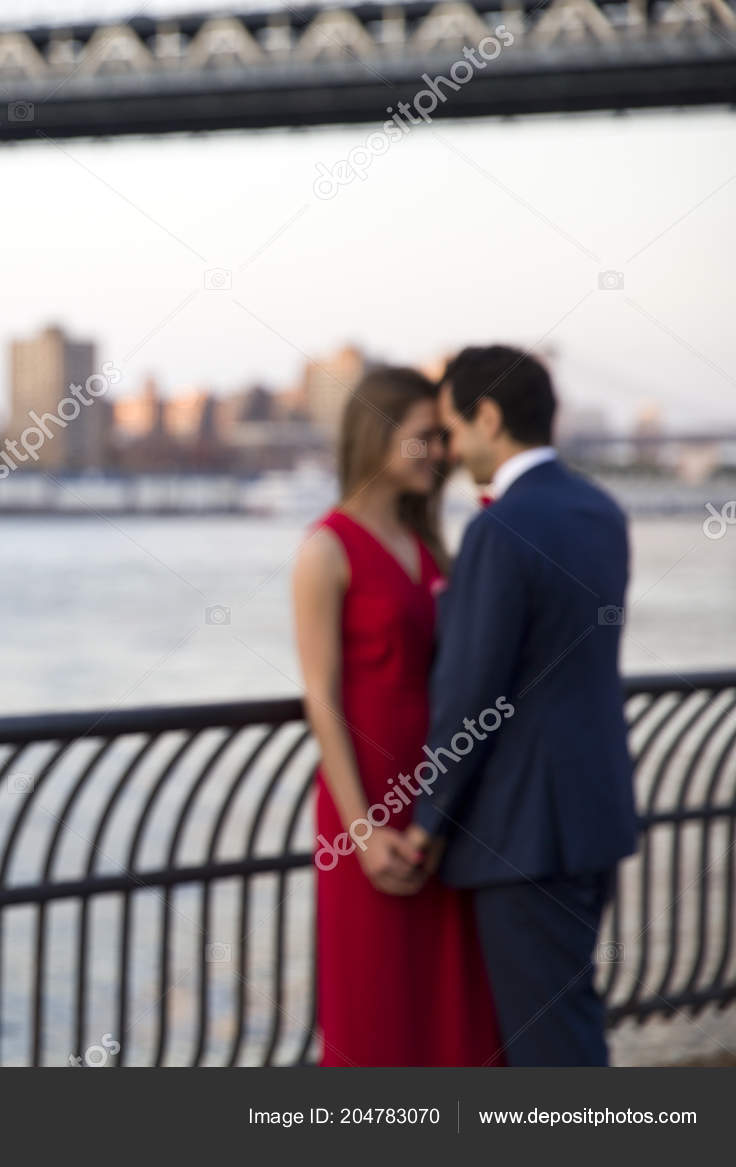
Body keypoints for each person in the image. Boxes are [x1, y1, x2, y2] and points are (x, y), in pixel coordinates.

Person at [405, 346, 636, 1066]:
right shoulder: (600, 510)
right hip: (595, 811)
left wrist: (427, 820)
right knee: (571, 1017)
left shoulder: (499, 529)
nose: (448, 449)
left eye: (453, 429)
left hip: (522, 832)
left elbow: (472, 691)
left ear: (490, 417)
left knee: (547, 1046)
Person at [292, 367, 503, 1067]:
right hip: (365, 809)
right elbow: (321, 696)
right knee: (376, 1005)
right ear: (378, 435)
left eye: (445, 437)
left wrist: (441, 813)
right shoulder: (324, 550)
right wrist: (361, 832)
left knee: (453, 1008)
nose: (441, 451)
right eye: (425, 437)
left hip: (439, 809)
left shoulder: (433, 547)